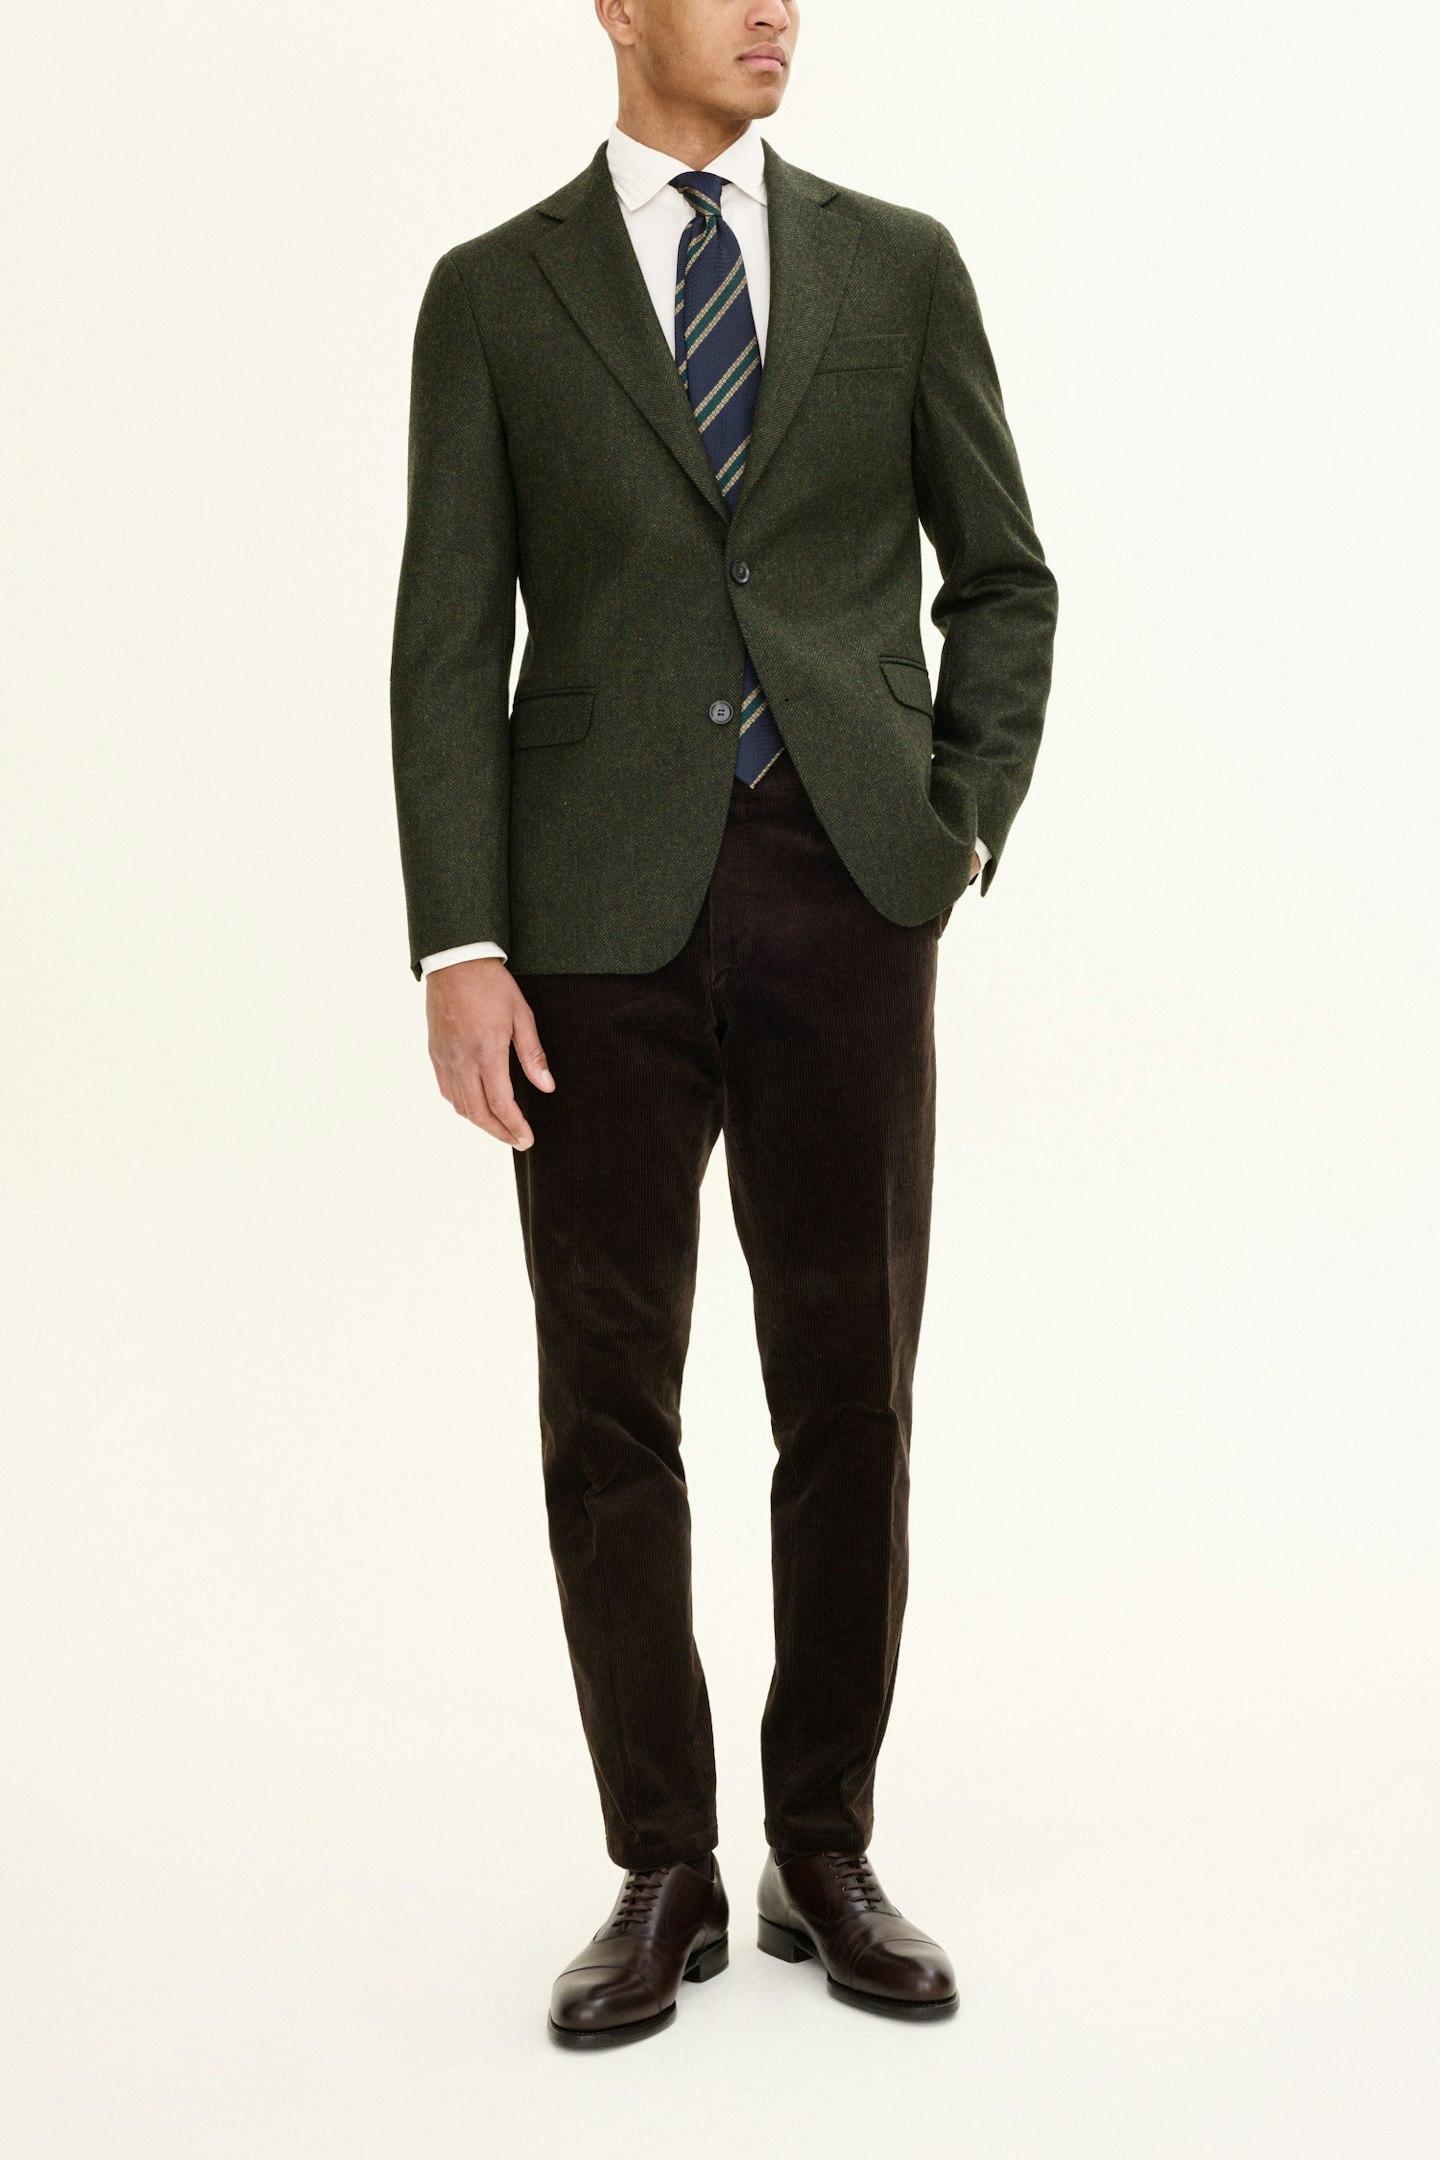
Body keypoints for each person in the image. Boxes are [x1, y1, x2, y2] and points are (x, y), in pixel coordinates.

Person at [390, 0, 1057, 2048]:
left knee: (851, 1387)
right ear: (617, 7)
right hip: (587, 914)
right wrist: (460, 944)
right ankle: (661, 1861)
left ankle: (822, 1846)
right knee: (610, 1402)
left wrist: (958, 819)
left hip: (848, 884)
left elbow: (1004, 578)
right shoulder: (493, 295)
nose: (776, 10)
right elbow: (447, 634)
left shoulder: (898, 263)